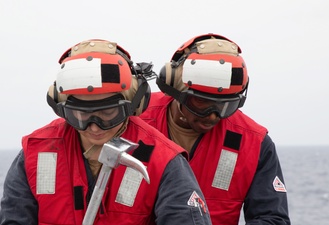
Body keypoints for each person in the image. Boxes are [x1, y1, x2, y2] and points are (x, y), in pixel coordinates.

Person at [0, 39, 212, 225]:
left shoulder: (164, 161)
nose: (94, 126)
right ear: (62, 107)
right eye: (81, 114)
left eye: (108, 112)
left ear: (132, 105)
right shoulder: (35, 153)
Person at [139, 33, 291, 225]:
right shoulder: (134, 121)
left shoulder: (254, 143)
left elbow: (272, 219)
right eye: (201, 102)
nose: (213, 115)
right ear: (175, 88)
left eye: (225, 105)